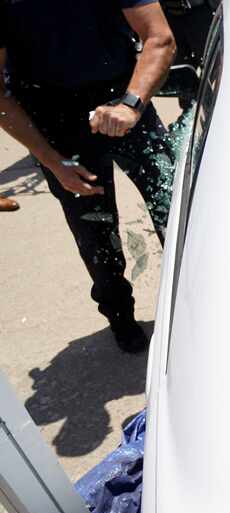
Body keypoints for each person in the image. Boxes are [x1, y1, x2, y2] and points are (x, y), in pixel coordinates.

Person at [0, 0, 176, 353]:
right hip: (54, 122)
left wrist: (131, 105)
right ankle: (119, 315)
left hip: (124, 96)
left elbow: (159, 37)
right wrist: (50, 160)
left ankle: (200, 303)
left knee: (177, 213)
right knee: (96, 236)